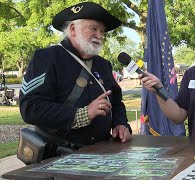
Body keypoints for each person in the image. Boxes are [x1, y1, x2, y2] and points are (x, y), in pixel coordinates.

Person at [19, 2, 132, 150]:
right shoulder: (47, 58)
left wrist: (120, 123)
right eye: (94, 29)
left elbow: (116, 102)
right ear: (73, 29)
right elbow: (30, 108)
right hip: (58, 154)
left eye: (102, 31)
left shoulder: (103, 65)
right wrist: (83, 114)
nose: (100, 35)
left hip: (101, 151)